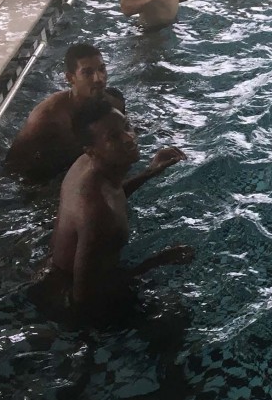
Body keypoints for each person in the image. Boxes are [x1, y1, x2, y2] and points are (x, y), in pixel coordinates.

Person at [38, 99, 193, 323]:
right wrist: (156, 262)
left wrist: (151, 172)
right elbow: (84, 298)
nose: (129, 138)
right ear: (92, 150)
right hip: (70, 306)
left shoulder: (85, 165)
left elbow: (114, 192)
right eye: (113, 137)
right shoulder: (99, 216)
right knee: (178, 317)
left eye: (127, 126)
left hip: (54, 271)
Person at [6, 43, 125, 181]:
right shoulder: (47, 118)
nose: (99, 78)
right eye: (87, 72)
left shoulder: (114, 101)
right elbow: (13, 167)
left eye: (102, 69)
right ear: (70, 78)